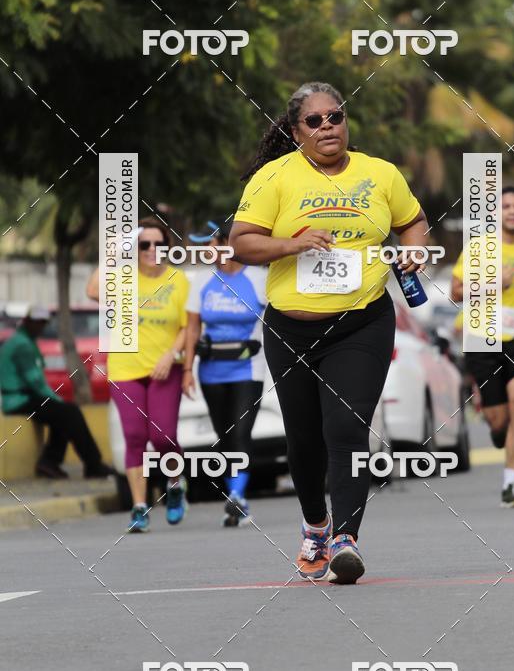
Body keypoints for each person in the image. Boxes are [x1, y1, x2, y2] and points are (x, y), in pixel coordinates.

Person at [229, 81, 428, 584]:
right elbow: (242, 244)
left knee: (346, 428)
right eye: (314, 121)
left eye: (335, 117)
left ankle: (346, 540)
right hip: (290, 328)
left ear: (346, 122)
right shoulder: (274, 178)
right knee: (303, 439)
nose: (327, 128)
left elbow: (413, 221)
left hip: (361, 322)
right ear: (296, 132)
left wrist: (414, 250)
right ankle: (315, 525)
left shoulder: (380, 173)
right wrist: (290, 245)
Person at [450, 186, 514, 507]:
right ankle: (500, 431)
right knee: (499, 419)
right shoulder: (479, 249)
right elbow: (456, 291)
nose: (511, 211)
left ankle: (512, 485)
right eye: (505, 206)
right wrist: (495, 282)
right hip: (484, 337)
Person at [87, 217, 190, 532]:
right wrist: (115, 252)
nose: (151, 250)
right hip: (125, 368)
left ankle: (175, 485)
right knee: (134, 437)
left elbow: (188, 327)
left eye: (158, 244)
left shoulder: (178, 280)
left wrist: (171, 355)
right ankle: (139, 507)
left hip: (164, 370)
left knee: (162, 437)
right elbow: (92, 290)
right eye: (144, 244)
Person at [182, 220, 267, 527]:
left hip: (248, 367)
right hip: (211, 369)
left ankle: (238, 498)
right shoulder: (202, 281)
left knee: (241, 432)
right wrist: (187, 370)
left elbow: (278, 320)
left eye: (211, 243)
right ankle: (235, 496)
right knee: (225, 435)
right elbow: (192, 327)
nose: (208, 250)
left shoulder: (258, 278)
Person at [0, 305, 112, 479]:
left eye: (43, 323)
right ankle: (93, 464)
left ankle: (50, 463)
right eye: (37, 323)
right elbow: (36, 382)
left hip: (23, 397)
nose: (41, 327)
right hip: (19, 400)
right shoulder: (22, 345)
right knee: (69, 412)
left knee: (64, 414)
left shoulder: (22, 340)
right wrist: (57, 400)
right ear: (28, 322)